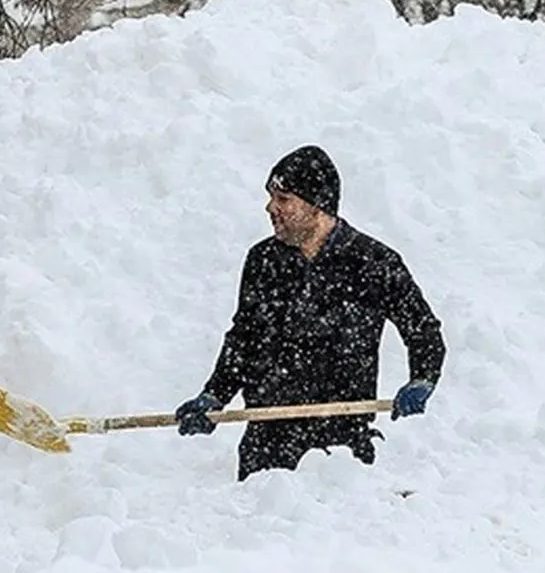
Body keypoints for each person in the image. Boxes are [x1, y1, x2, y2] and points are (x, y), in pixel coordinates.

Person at [175, 145, 447, 481]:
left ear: (317, 205)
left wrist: (422, 378)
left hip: (341, 451)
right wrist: (214, 395)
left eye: (283, 199)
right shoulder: (263, 262)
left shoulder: (374, 263)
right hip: (266, 444)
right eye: (271, 197)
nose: (270, 207)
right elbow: (243, 339)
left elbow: (423, 329)